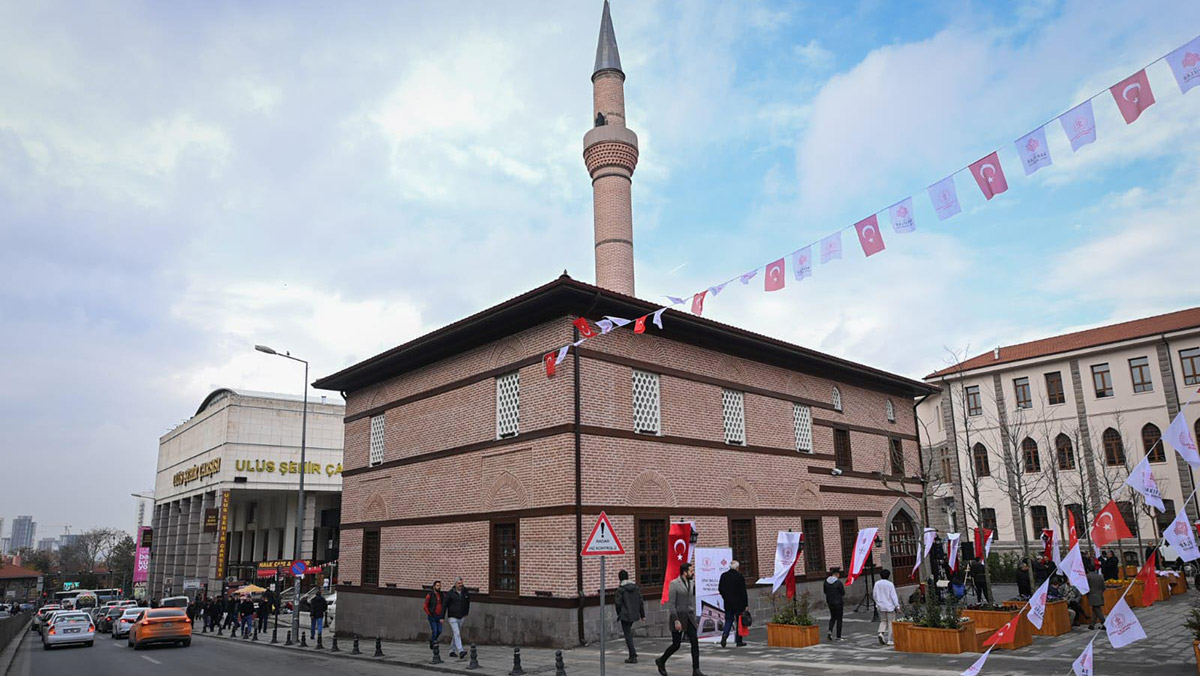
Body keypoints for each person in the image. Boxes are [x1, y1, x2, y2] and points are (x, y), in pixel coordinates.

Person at [656, 562, 705, 676]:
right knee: (676, 644)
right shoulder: (674, 584)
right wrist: (676, 620)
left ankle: (696, 670)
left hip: (690, 617)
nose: (693, 573)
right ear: (685, 572)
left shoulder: (691, 583)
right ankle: (661, 660)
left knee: (695, 642)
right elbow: (671, 604)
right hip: (678, 617)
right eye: (691, 571)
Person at [614, 569, 645, 663]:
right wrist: (642, 614)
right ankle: (632, 654)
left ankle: (633, 655)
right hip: (634, 614)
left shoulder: (621, 589)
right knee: (629, 634)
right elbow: (640, 601)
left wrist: (619, 613)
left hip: (625, 615)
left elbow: (617, 603)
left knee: (628, 635)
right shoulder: (636, 588)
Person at [717, 561, 748, 648]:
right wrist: (746, 604)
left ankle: (724, 635)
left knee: (728, 620)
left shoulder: (724, 576)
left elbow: (720, 589)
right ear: (737, 568)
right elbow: (743, 592)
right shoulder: (739, 577)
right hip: (739, 604)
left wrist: (725, 597)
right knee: (739, 622)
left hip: (728, 603)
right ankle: (739, 641)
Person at [873, 569, 901, 646]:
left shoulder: (877, 584)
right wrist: (897, 606)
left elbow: (874, 595)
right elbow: (893, 596)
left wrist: (877, 602)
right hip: (889, 606)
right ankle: (890, 640)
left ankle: (881, 633)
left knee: (883, 621)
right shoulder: (890, 584)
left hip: (880, 605)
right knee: (891, 622)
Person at [445, 579, 470, 659]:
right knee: (457, 633)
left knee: (456, 634)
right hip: (452, 616)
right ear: (455, 584)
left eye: (461, 583)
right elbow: (444, 605)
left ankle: (452, 650)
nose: (460, 585)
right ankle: (460, 651)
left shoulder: (465, 591)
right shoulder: (450, 593)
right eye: (459, 583)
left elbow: (467, 602)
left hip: (461, 616)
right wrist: (441, 617)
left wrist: (466, 612)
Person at [823, 568, 845, 641]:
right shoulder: (838, 583)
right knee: (839, 619)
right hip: (838, 603)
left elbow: (825, 591)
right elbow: (842, 593)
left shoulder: (826, 582)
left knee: (832, 617)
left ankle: (830, 631)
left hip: (830, 602)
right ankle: (838, 636)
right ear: (837, 574)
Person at [423, 581, 445, 648]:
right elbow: (425, 606)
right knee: (435, 630)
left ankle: (433, 640)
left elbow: (444, 605)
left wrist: (442, 615)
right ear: (434, 586)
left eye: (440, 586)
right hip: (432, 615)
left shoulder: (442, 595)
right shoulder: (430, 595)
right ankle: (433, 643)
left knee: (439, 630)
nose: (439, 587)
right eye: (437, 585)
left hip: (439, 616)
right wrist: (429, 613)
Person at [1086, 563, 1106, 630]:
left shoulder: (1087, 576)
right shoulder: (1099, 576)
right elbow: (1104, 587)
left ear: (1088, 569)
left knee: (1097, 609)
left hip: (1092, 594)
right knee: (1095, 609)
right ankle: (1092, 624)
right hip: (1099, 594)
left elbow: (1086, 586)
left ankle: (1104, 623)